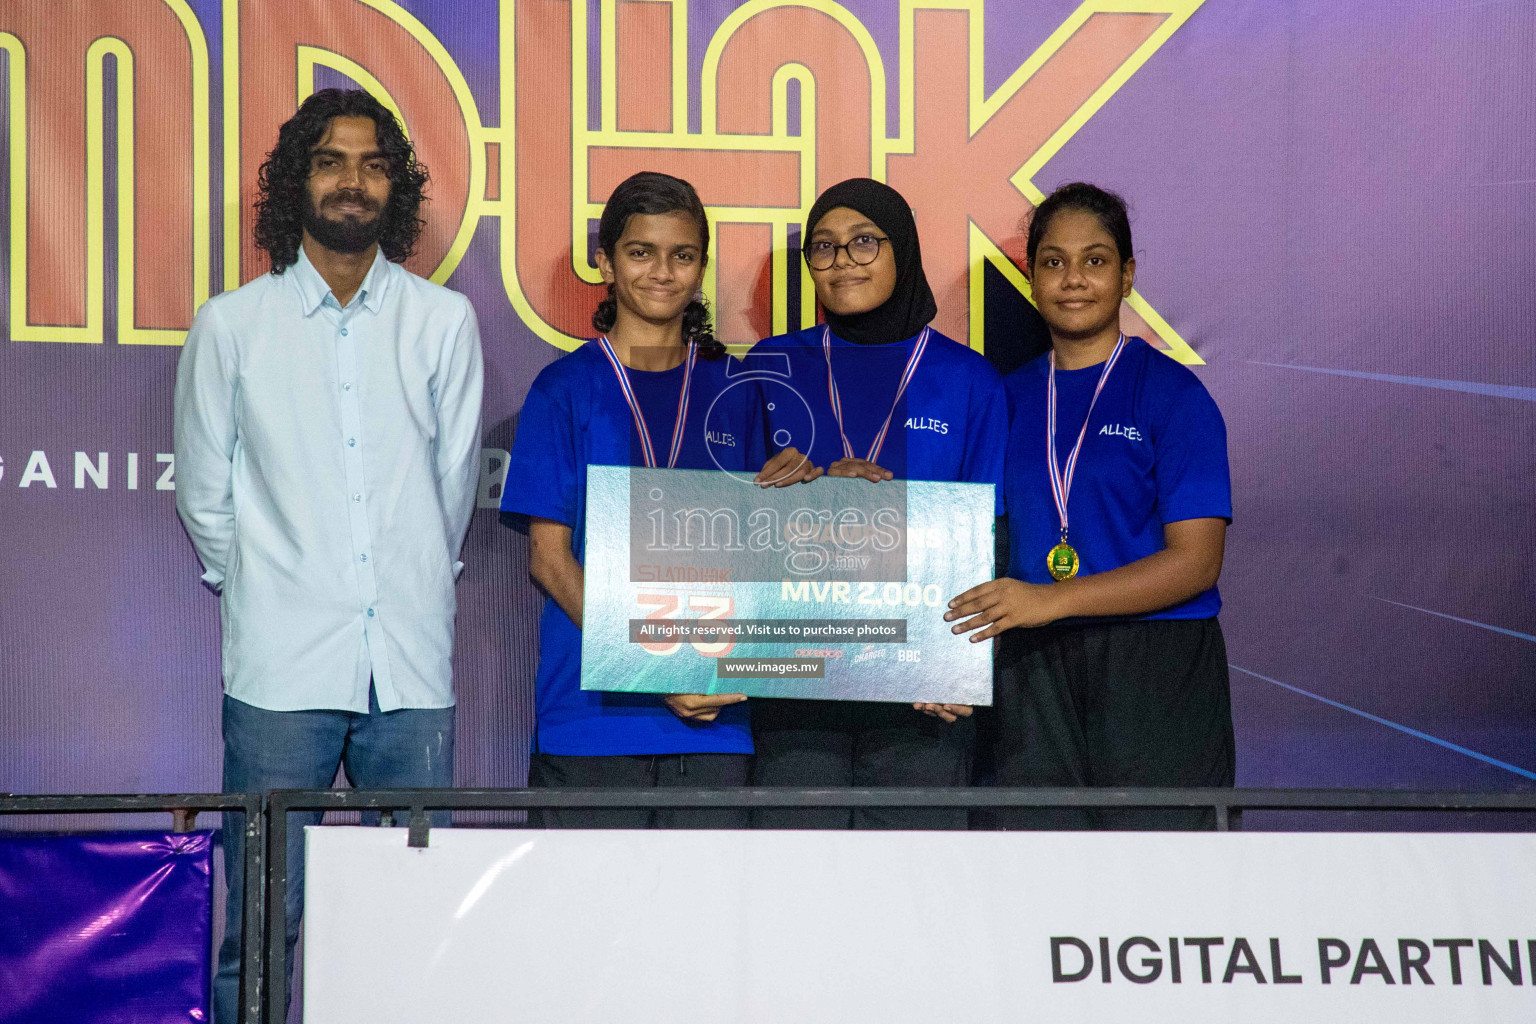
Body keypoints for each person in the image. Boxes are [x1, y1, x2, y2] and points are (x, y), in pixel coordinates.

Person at [173, 89, 483, 1022]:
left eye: (373, 162)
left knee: (419, 919)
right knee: (262, 926)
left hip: (411, 669)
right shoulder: (233, 324)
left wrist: (406, 582)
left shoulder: (443, 323)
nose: (353, 179)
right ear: (296, 181)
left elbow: (452, 489)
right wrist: (273, 586)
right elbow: (204, 496)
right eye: (330, 160)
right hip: (279, 669)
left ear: (397, 186)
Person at [499, 171, 817, 828]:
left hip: (715, 723)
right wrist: (657, 670)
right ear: (606, 261)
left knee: (703, 932)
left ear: (701, 266)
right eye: (641, 252)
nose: (662, 273)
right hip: (591, 725)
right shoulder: (563, 389)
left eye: (683, 255)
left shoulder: (737, 386)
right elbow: (550, 563)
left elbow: (765, 559)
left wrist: (815, 490)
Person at [947, 182, 1234, 830]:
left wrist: (1051, 598)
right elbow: (968, 540)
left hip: (1154, 663)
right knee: (1036, 880)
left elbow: (1196, 563)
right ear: (1031, 277)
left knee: (1160, 879)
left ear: (1127, 275)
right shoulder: (1004, 397)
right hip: (1030, 668)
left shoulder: (1173, 395)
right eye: (1053, 261)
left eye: (1095, 260)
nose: (1073, 279)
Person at [749, 178, 1010, 830]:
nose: (843, 262)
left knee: (911, 906)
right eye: (825, 248)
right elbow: (728, 535)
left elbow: (988, 541)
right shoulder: (770, 365)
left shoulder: (968, 378)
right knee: (799, 895)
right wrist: (782, 495)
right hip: (798, 685)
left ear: (905, 249)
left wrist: (959, 668)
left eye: (864, 241)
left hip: (921, 694)